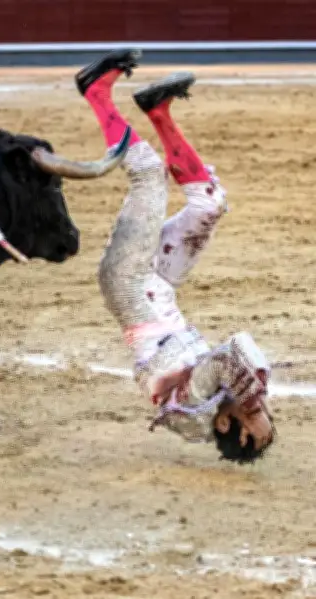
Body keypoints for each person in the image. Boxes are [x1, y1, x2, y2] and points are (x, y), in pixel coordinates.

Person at [74, 49, 275, 462]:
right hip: (160, 284)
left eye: (256, 417)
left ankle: (95, 92)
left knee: (148, 174)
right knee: (209, 205)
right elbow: (241, 351)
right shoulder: (213, 404)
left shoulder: (194, 412)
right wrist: (252, 395)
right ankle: (157, 110)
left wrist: (254, 392)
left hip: (129, 282)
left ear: (227, 427)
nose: (261, 408)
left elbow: (232, 353)